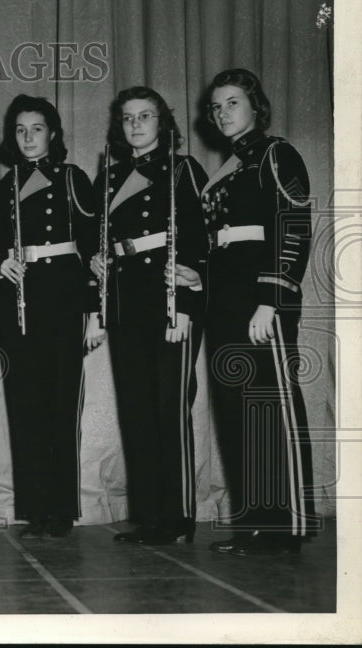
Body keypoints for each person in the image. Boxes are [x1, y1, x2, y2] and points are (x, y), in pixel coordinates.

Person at [194, 68, 318, 556]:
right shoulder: (228, 169)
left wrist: (272, 298)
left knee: (270, 410)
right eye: (217, 106)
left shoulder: (276, 154)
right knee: (236, 414)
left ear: (255, 107)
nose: (224, 113)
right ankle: (254, 526)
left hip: (261, 301)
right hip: (223, 302)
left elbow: (293, 227)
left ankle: (284, 527)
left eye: (233, 103)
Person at [85, 86, 208, 545]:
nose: (135, 125)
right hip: (125, 301)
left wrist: (189, 303)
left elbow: (199, 237)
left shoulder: (183, 169)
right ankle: (150, 517)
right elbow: (96, 239)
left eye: (146, 116)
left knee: (169, 408)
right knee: (135, 410)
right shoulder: (110, 178)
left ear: (163, 123)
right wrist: (94, 264)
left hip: (170, 299)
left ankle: (179, 517)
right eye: (128, 118)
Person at [0, 95, 96, 539]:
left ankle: (62, 510)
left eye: (36, 128)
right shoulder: (4, 187)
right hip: (19, 304)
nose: (28, 137)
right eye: (20, 130)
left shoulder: (73, 179)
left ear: (53, 133)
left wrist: (94, 310)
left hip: (64, 299)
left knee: (61, 403)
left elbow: (93, 247)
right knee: (24, 405)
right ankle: (34, 508)